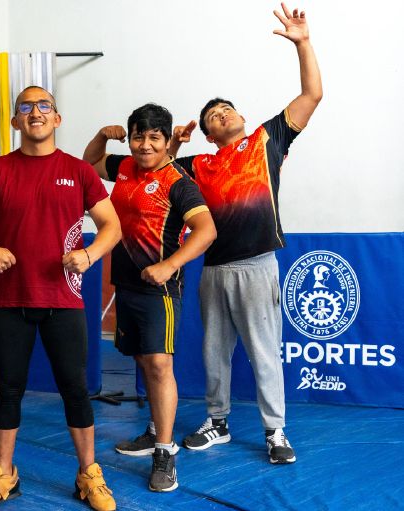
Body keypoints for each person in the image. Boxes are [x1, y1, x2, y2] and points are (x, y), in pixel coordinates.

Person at [0, 86, 121, 511]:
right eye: (25, 107)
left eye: (44, 105)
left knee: (75, 389)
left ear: (57, 118)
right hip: (11, 300)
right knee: (8, 390)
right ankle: (3, 474)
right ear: (15, 121)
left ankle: (88, 474)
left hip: (64, 298)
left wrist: (89, 255)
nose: (35, 112)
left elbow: (112, 226)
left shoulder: (78, 170)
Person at [171, 3, 323, 464]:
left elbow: (312, 94)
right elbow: (153, 172)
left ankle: (275, 431)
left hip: (257, 267)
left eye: (226, 109)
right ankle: (217, 422)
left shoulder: (265, 140)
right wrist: (174, 143)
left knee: (264, 352)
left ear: (240, 115)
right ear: (207, 133)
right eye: (213, 115)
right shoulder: (198, 164)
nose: (221, 115)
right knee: (214, 353)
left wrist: (302, 44)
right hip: (214, 269)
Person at [82, 103, 216, 492]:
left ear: (166, 140)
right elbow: (90, 164)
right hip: (127, 285)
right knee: (142, 359)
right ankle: (156, 429)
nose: (144, 145)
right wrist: (101, 137)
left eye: (154, 137)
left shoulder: (178, 182)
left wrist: (170, 265)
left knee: (159, 364)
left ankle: (164, 452)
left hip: (160, 289)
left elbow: (206, 230)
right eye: (138, 136)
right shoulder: (124, 167)